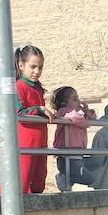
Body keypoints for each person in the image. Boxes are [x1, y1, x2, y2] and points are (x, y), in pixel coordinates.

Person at [14, 45, 49, 194]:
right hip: (26, 144)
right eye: (33, 67)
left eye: (40, 67)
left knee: (39, 183)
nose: (37, 71)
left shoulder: (38, 87)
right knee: (22, 184)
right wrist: (40, 109)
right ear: (21, 66)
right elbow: (19, 113)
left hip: (40, 143)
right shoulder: (19, 86)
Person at [49, 85, 94, 192]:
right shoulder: (63, 112)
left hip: (76, 154)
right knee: (88, 178)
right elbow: (79, 119)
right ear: (64, 104)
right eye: (74, 99)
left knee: (87, 176)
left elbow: (92, 120)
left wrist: (87, 111)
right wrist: (84, 117)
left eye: (78, 98)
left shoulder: (76, 114)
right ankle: (63, 177)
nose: (79, 102)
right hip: (66, 156)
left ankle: (66, 179)